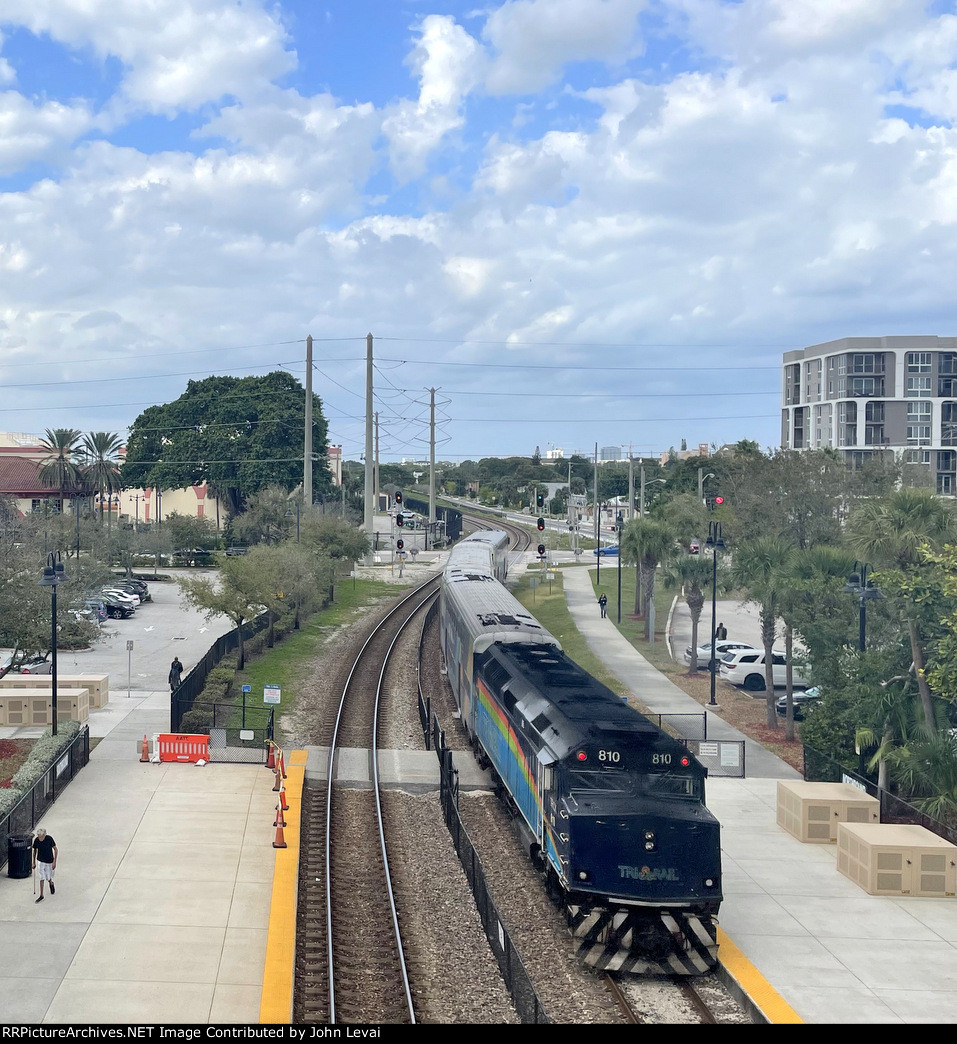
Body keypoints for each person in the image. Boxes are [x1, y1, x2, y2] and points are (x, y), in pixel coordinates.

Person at [32, 827, 57, 903]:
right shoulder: (36, 840)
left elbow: (55, 849)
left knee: (48, 877)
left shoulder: (49, 839)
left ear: (44, 835)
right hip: (40, 860)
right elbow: (34, 851)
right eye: (39, 836)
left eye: (41, 836)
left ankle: (51, 883)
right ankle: (41, 895)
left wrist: (54, 861)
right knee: (42, 877)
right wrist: (34, 862)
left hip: (49, 861)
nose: (40, 838)